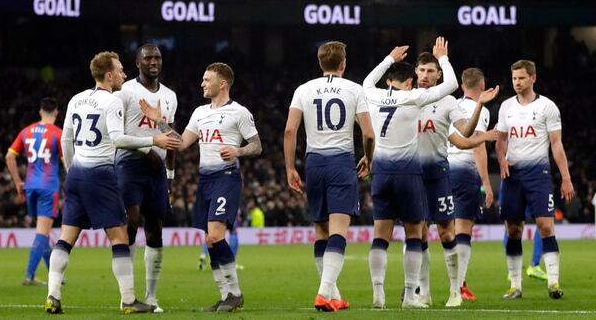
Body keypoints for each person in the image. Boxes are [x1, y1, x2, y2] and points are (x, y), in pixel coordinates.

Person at [45, 51, 180, 314]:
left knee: (66, 237)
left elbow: (65, 141)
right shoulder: (112, 102)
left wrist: (71, 170)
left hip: (76, 176)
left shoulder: (76, 99)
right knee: (120, 236)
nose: (123, 74)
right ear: (109, 75)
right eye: (119, 70)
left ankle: (53, 295)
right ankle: (129, 300)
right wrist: (154, 140)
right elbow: (118, 139)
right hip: (101, 175)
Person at [141, 62, 262, 313]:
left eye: (207, 80)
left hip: (226, 177)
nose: (202, 83)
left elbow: (257, 145)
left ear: (223, 84)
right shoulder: (199, 112)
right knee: (209, 239)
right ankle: (225, 294)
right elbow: (181, 143)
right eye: (203, 79)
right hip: (205, 179)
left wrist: (238, 150)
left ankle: (235, 293)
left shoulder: (239, 112)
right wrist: (159, 122)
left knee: (216, 235)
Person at [362, 38, 457, 309]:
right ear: (409, 82)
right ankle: (410, 296)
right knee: (415, 234)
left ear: (388, 81)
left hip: (380, 172)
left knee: (381, 236)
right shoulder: (412, 97)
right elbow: (450, 85)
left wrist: (388, 58)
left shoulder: (373, 95)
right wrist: (443, 58)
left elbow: (368, 82)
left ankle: (378, 294)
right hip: (408, 174)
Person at [283, 41, 375, 312]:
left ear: (320, 63)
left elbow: (290, 131)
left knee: (321, 231)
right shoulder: (354, 90)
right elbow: (368, 134)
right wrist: (368, 158)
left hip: (314, 163)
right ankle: (324, 294)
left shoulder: (303, 89)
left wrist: (290, 168)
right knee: (338, 231)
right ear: (343, 63)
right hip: (340, 162)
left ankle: (333, 295)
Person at [413, 53, 499, 307]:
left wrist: (481, 105)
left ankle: (454, 290)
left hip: (441, 174)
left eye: (431, 71)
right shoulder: (406, 101)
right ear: (415, 73)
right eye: (422, 71)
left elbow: (465, 135)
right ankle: (422, 292)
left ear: (439, 74)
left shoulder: (449, 102)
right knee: (416, 233)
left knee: (446, 232)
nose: (426, 75)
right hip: (414, 176)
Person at [495, 59, 574, 300]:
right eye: (514, 78)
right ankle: (515, 286)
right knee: (514, 229)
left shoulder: (547, 107)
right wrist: (502, 160)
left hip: (538, 174)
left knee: (546, 226)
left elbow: (556, 144)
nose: (517, 83)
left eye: (521, 78)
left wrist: (566, 178)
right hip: (512, 176)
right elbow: (500, 140)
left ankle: (553, 283)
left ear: (533, 78)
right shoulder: (506, 106)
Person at [114, 45, 177, 312]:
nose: (153, 61)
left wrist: (171, 175)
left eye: (157, 57)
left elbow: (171, 136)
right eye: (148, 58)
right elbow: (116, 133)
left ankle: (151, 296)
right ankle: (127, 296)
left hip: (157, 170)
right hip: (130, 164)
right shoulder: (126, 91)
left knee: (155, 229)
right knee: (130, 224)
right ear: (137, 63)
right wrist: (145, 147)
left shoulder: (170, 96)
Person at [448, 67, 496, 301]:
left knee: (425, 228)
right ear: (482, 86)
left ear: (461, 85)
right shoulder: (481, 110)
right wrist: (486, 183)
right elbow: (477, 144)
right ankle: (459, 285)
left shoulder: (451, 106)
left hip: (441, 171)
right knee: (463, 229)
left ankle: (416, 287)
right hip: (465, 172)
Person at [6, 97, 64, 286]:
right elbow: (66, 162)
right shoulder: (57, 134)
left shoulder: (26, 131)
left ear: (40, 112)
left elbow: (9, 156)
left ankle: (54, 274)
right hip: (48, 187)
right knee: (42, 231)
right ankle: (29, 276)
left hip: (30, 186)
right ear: (56, 113)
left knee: (44, 232)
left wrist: (17, 182)